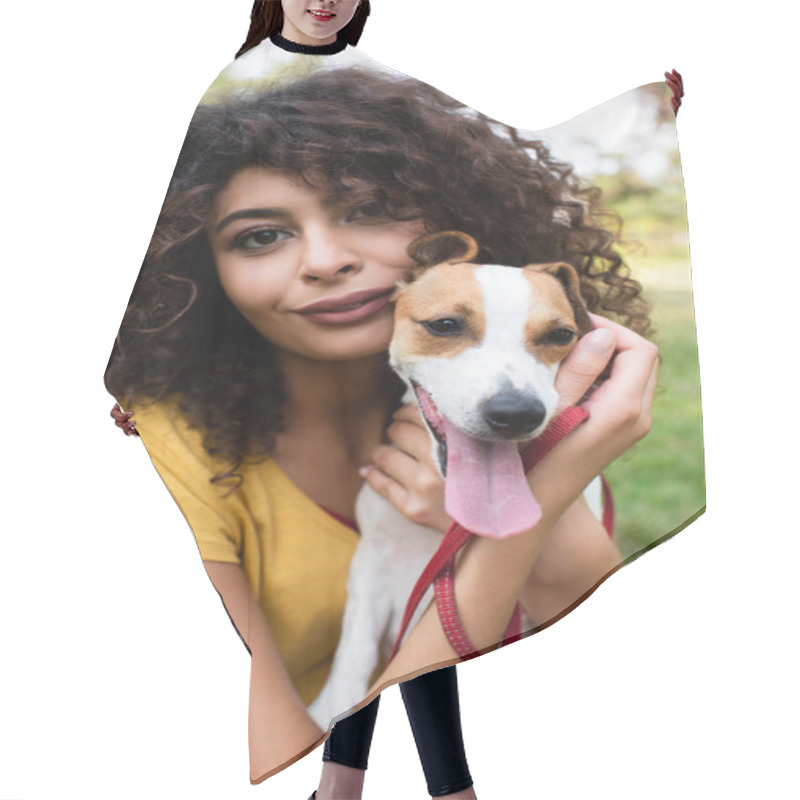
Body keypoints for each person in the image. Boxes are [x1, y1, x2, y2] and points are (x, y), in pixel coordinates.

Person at [105, 2, 658, 796]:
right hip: (317, 599)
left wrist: (662, 105)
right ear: (198, 269)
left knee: (385, 605)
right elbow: (298, 648)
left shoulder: (394, 90)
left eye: (367, 208)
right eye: (261, 234)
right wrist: (143, 388)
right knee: (361, 609)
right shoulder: (219, 455)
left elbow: (575, 605)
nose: (327, 260)